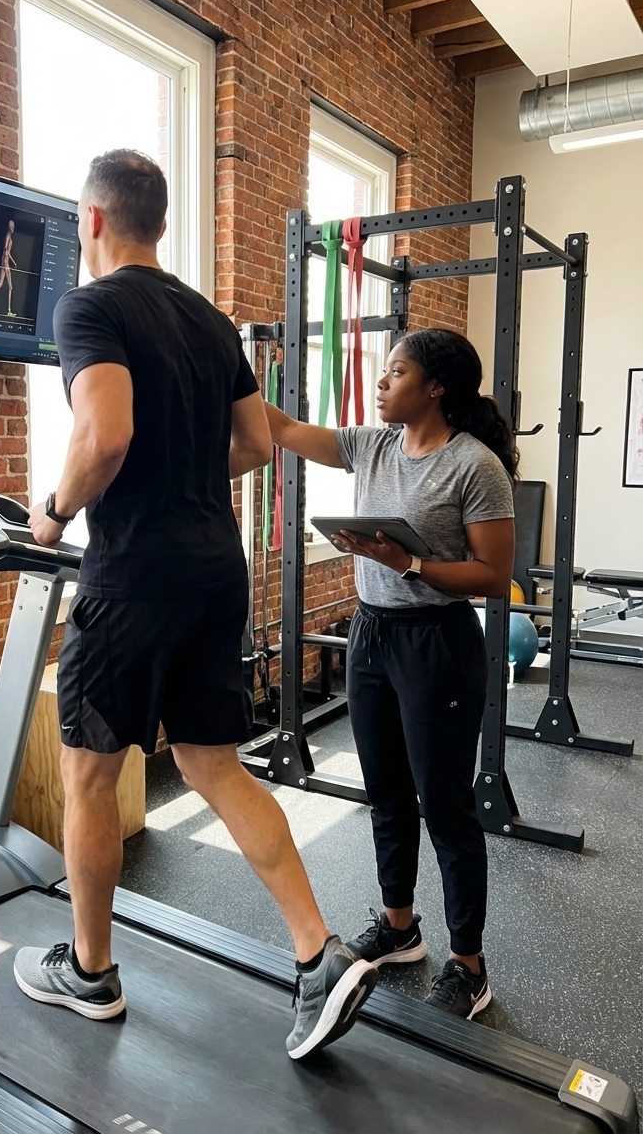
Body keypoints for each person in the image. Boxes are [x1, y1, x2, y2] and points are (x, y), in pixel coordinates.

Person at [15, 149, 378, 1058]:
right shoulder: (211, 320)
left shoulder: (88, 306)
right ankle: (317, 952)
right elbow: (256, 444)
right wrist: (177, 473)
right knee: (216, 766)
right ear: (162, 226)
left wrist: (54, 513)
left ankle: (90, 974)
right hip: (220, 569)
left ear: (90, 221)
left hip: (135, 576)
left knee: (90, 776)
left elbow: (104, 434)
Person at [265, 329, 516, 1020]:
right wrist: (213, 371)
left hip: (437, 641)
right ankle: (400, 927)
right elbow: (283, 427)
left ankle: (469, 965)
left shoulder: (474, 466)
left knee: (446, 805)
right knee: (387, 794)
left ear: (434, 388)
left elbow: (495, 576)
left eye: (394, 372)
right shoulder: (370, 446)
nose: (381, 383)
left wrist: (407, 562)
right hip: (371, 632)